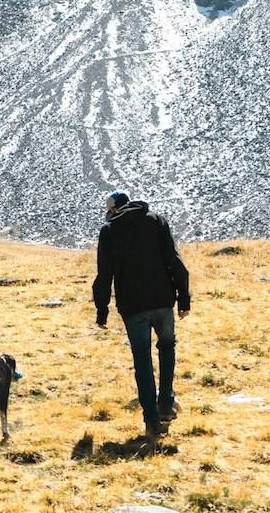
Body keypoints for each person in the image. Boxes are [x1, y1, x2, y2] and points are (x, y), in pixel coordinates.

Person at [92, 191, 190, 450]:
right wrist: (183, 297)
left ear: (115, 209)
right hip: (162, 300)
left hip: (133, 306)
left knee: (142, 359)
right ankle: (166, 403)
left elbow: (104, 274)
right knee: (167, 347)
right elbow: (174, 260)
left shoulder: (109, 231)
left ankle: (151, 419)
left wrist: (102, 310)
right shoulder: (156, 221)